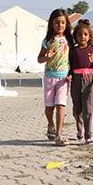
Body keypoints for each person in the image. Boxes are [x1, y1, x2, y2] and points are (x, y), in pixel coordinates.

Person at [37, 9, 74, 146]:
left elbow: (73, 59)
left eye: (63, 22)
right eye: (57, 22)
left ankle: (59, 135)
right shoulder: (47, 41)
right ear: (52, 24)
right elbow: (39, 59)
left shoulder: (69, 40)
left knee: (60, 105)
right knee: (49, 107)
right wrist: (47, 56)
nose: (60, 25)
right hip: (49, 78)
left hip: (64, 79)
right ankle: (50, 124)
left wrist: (71, 73)